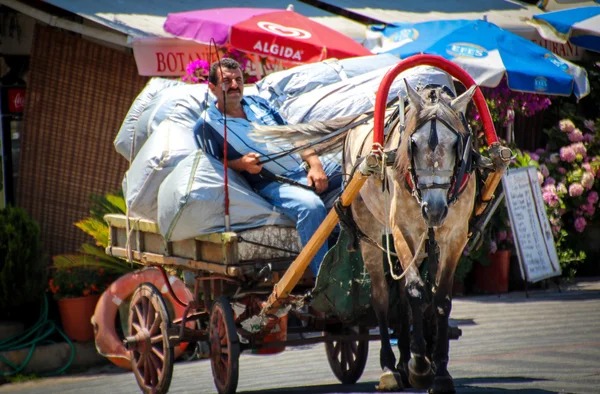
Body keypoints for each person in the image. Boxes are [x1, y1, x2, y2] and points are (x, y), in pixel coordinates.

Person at [193, 58, 341, 277]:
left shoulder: (258, 103)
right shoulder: (206, 124)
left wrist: (315, 164)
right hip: (271, 183)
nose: (234, 85)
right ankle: (325, 282)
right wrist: (240, 164)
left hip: (303, 167)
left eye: (238, 80)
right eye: (227, 81)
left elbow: (294, 135)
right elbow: (211, 166)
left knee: (357, 171)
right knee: (311, 207)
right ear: (212, 88)